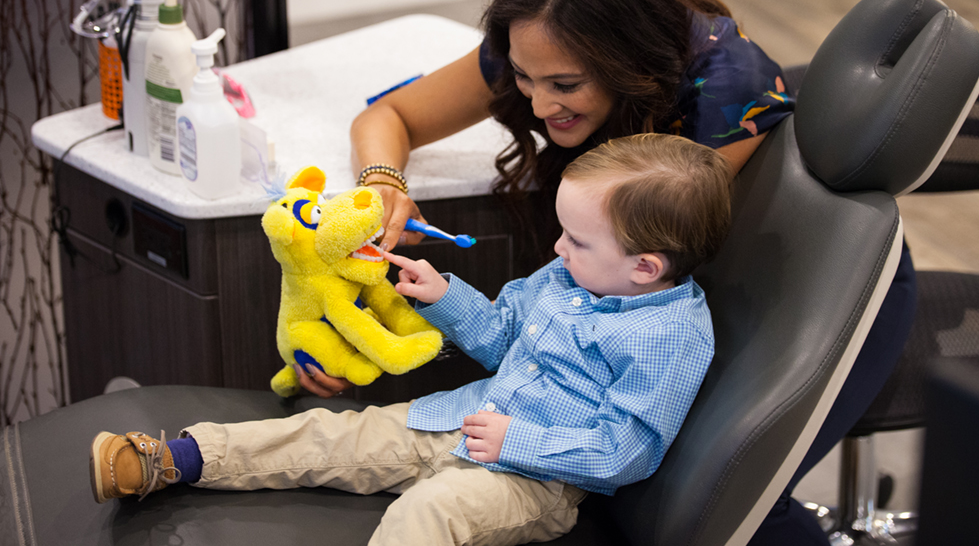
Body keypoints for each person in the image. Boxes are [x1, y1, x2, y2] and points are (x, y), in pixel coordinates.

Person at [345, 0, 917, 545]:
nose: (537, 105)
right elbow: (388, 116)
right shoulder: (539, 40)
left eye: (565, 86)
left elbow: (628, 260)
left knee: (725, 502)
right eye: (523, 79)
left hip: (813, 291)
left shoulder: (728, 90)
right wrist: (382, 184)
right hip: (652, 280)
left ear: (629, 63)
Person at [90, 133, 733, 546]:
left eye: (576, 240)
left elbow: (628, 450)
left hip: (534, 478)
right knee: (331, 433)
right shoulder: (569, 276)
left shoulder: (670, 338)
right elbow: (504, 337)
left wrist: (520, 441)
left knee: (427, 515)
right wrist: (444, 296)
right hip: (458, 419)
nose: (558, 249)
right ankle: (177, 458)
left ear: (645, 267)